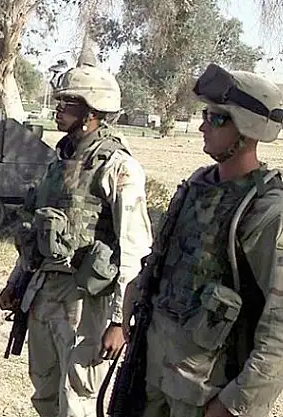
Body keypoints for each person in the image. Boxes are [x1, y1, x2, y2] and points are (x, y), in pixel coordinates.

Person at [0, 50, 153, 416]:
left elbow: (134, 248)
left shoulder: (118, 167)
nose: (58, 108)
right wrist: (16, 282)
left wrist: (120, 320)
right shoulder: (59, 161)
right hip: (44, 289)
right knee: (44, 392)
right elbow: (37, 228)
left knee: (77, 395)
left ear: (91, 112)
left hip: (87, 300)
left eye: (68, 102)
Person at [121, 64, 283, 417]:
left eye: (216, 118)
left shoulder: (266, 209)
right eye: (205, 115)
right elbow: (167, 259)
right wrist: (137, 289)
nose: (202, 126)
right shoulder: (196, 186)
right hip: (154, 372)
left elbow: (278, 326)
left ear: (247, 130)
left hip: (209, 392)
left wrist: (237, 402)